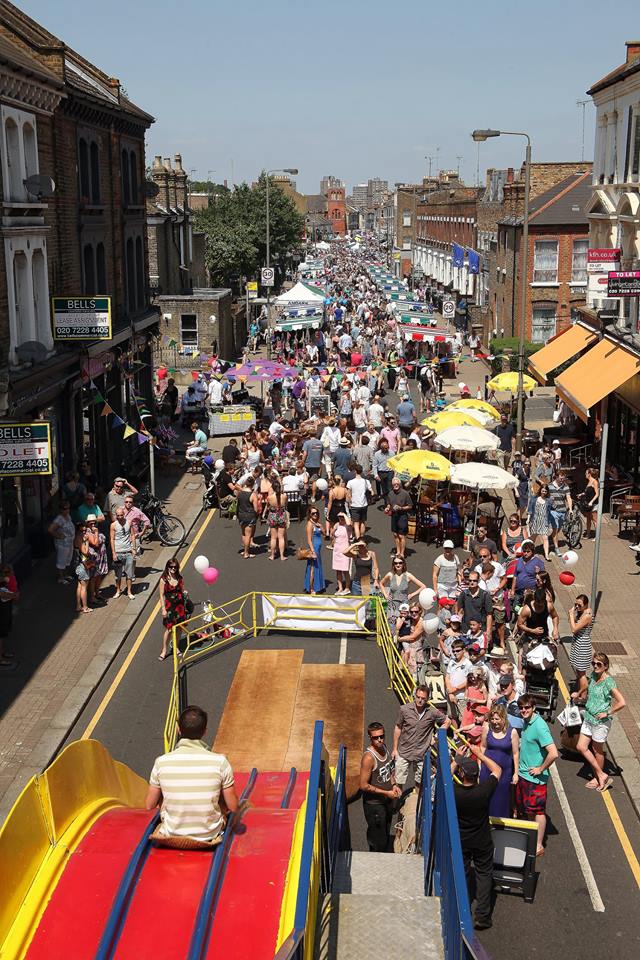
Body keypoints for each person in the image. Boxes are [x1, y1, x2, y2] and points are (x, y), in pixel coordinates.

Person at [146, 705, 238, 841]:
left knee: (162, 788)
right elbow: (233, 806)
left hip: (172, 832)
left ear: (178, 730)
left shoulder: (161, 762)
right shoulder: (220, 762)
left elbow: (149, 804)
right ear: (205, 732)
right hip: (210, 833)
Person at [452, 743, 502, 930]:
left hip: (462, 840)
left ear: (462, 774)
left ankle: (459, 910)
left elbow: (444, 778)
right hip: (482, 840)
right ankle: (482, 916)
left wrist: (456, 760)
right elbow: (497, 769)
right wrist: (479, 754)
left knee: (462, 874)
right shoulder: (483, 791)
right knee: (484, 875)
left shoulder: (455, 793)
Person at [571, 652, 626, 792]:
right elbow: (588, 686)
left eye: (599, 664)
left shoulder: (609, 682)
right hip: (589, 717)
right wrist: (579, 694)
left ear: (605, 666)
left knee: (597, 750)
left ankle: (597, 778)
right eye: (593, 663)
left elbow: (622, 702)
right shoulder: (594, 676)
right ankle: (601, 775)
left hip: (600, 722)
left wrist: (607, 713)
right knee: (581, 746)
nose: (595, 666)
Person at [516, 694, 558, 856]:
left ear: (533, 708)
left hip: (535, 779)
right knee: (528, 810)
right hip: (524, 775)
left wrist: (540, 769)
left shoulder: (539, 726)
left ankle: (539, 845)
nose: (524, 710)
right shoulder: (526, 722)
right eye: (521, 708)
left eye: (527, 707)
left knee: (538, 811)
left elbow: (553, 753)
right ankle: (531, 838)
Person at [392, 685, 450, 789]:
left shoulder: (432, 712)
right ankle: (396, 804)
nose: (420, 700)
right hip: (404, 751)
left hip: (421, 753)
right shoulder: (404, 709)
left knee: (420, 783)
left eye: (423, 698)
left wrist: (436, 736)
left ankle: (417, 803)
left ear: (427, 699)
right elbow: (398, 727)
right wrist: (395, 749)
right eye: (418, 697)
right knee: (398, 782)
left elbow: (447, 721)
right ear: (415, 696)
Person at [359, 721, 400, 852]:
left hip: (387, 800)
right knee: (377, 838)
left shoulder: (384, 748)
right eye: (376, 738)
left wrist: (393, 785)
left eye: (382, 736)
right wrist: (385, 793)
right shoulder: (368, 758)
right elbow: (363, 785)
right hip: (374, 804)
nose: (380, 740)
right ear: (370, 738)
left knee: (386, 830)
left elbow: (389, 770)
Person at [479, 705, 519, 817]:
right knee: (486, 796)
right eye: (492, 719)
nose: (494, 722)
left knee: (501, 799)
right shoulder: (487, 728)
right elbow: (483, 746)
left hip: (505, 773)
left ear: (503, 718)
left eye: (497, 719)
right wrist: (480, 764)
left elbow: (515, 754)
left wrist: (516, 773)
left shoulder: (512, 732)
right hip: (486, 770)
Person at [380, 555, 426, 626]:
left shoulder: (408, 575)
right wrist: (386, 595)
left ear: (403, 563)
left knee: (403, 626)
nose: (398, 565)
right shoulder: (390, 575)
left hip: (403, 605)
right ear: (393, 564)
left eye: (400, 563)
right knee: (391, 626)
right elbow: (381, 583)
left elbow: (423, 586)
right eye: (396, 563)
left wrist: (412, 595)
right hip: (392, 604)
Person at [158, 558, 189, 660]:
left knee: (179, 627)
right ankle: (164, 650)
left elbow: (182, 589)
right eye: (171, 567)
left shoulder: (179, 577)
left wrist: (185, 592)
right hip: (169, 607)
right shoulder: (164, 579)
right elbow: (161, 595)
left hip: (180, 606)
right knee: (169, 629)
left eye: (175, 567)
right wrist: (163, 609)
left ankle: (176, 647)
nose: (173, 569)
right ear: (168, 567)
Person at [568, 594, 594, 702]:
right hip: (578, 644)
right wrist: (574, 614)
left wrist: (570, 614)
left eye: (579, 605)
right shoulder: (582, 613)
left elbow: (574, 629)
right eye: (576, 605)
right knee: (579, 672)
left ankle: (583, 697)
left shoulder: (587, 615)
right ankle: (581, 693)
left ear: (586, 605)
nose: (577, 607)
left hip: (582, 646)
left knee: (582, 674)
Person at [110, 507, 137, 600]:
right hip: (118, 552)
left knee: (129, 574)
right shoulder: (113, 525)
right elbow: (112, 539)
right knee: (118, 575)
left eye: (121, 515)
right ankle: (118, 590)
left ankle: (129, 591)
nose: (119, 517)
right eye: (118, 516)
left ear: (124, 514)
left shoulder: (129, 523)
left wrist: (134, 548)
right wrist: (113, 553)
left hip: (128, 552)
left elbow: (132, 535)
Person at [456, 570, 493, 638]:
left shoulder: (485, 595)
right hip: (466, 630)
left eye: (474, 580)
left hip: (481, 631)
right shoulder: (463, 594)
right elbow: (460, 612)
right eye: (470, 580)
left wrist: (488, 632)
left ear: (478, 581)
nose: (472, 582)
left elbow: (489, 615)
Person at [511, 540, 545, 606]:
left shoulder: (538, 562)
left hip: (531, 593)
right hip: (519, 592)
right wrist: (512, 590)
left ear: (532, 552)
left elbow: (543, 578)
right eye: (524, 551)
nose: (526, 553)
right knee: (516, 610)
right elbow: (515, 576)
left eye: (528, 551)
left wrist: (538, 573)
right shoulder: (519, 560)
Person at [48, 500, 75, 583]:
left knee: (68, 560)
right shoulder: (59, 519)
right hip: (62, 544)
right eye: (65, 509)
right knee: (61, 560)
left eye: (68, 508)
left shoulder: (68, 516)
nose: (67, 510)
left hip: (69, 543)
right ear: (60, 509)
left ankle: (65, 575)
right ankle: (61, 578)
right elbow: (50, 530)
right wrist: (59, 536)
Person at [446, 640, 473, 718]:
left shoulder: (468, 664)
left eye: (458, 651)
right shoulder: (451, 662)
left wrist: (454, 689)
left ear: (464, 650)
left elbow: (469, 681)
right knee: (452, 717)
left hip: (462, 696)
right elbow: (447, 677)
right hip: (451, 695)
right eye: (453, 651)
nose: (455, 653)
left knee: (463, 718)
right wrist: (450, 693)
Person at [387, 476, 412, 559]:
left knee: (401, 535)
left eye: (397, 484)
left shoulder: (405, 494)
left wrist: (401, 508)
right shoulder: (390, 493)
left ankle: (402, 553)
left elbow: (410, 506)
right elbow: (389, 504)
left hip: (402, 516)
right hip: (394, 516)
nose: (395, 485)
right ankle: (398, 551)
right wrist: (387, 508)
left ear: (400, 484)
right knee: (395, 534)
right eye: (394, 484)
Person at [0, 563, 19, 668]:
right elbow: (3, 594)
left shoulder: (5, 582)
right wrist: (13, 595)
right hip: (1, 612)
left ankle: (2, 653)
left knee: (2, 635)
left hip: (5, 611)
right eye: (7, 573)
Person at [236, 477, 260, 559]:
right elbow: (256, 509)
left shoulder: (240, 493)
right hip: (249, 516)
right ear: (253, 484)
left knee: (243, 533)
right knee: (248, 535)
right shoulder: (253, 495)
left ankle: (244, 550)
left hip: (241, 515)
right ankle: (246, 553)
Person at [346, 463, 372, 540]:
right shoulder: (366, 481)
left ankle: (358, 539)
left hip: (355, 504)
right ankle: (362, 538)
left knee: (356, 523)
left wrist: (349, 503)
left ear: (355, 471)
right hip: (364, 504)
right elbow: (371, 491)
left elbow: (348, 495)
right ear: (361, 471)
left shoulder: (350, 482)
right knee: (363, 522)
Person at [548, 470, 572, 553]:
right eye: (561, 478)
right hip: (553, 511)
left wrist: (570, 509)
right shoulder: (550, 486)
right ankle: (556, 548)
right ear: (556, 477)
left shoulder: (565, 486)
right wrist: (549, 500)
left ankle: (551, 538)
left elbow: (568, 498)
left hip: (562, 511)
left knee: (558, 529)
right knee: (556, 528)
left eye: (563, 478)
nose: (562, 480)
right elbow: (545, 496)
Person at [74, 521, 94, 615]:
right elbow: (85, 552)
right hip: (82, 565)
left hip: (78, 564)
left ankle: (78, 606)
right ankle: (85, 607)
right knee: (84, 587)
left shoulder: (77, 537)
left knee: (79, 586)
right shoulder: (80, 538)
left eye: (85, 530)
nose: (85, 532)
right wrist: (86, 542)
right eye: (83, 530)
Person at [529, 485, 553, 560]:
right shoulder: (534, 498)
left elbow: (552, 509)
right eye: (543, 491)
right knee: (533, 537)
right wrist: (529, 519)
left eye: (545, 491)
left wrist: (553, 500)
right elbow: (530, 509)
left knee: (545, 538)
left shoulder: (548, 500)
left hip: (544, 521)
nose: (544, 492)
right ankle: (529, 552)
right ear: (540, 490)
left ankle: (546, 555)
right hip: (535, 520)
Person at [304, 506, 325, 594]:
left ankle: (317, 586)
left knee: (317, 566)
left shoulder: (317, 523)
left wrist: (321, 526)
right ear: (309, 514)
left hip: (318, 548)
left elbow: (324, 534)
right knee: (313, 568)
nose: (315, 514)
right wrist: (313, 551)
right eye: (313, 513)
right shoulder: (310, 524)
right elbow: (309, 540)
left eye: (316, 513)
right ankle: (312, 588)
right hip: (314, 549)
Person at [266, 479, 288, 562]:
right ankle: (282, 556)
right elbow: (286, 505)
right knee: (281, 537)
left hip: (273, 516)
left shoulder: (269, 497)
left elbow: (268, 506)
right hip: (281, 515)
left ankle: (272, 555)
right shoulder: (284, 496)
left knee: (273, 537)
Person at [331, 512, 352, 594]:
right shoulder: (337, 525)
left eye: (342, 517)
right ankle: (340, 588)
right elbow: (331, 534)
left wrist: (345, 515)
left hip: (345, 551)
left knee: (345, 570)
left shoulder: (347, 526)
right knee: (338, 570)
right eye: (339, 517)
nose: (341, 518)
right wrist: (333, 532)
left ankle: (347, 588)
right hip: (337, 550)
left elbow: (349, 523)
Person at [580, 467, 599, 538]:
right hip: (588, 503)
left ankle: (597, 537)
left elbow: (597, 494)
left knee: (594, 519)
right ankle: (588, 534)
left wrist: (591, 502)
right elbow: (587, 492)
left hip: (593, 503)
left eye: (586, 473)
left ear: (589, 474)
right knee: (588, 519)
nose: (585, 474)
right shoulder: (589, 481)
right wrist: (581, 494)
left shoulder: (595, 482)